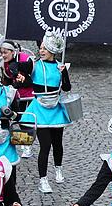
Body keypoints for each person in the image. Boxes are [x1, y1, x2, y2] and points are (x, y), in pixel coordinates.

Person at [18, 32, 72, 193]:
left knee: (58, 144)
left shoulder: (59, 67)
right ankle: (43, 179)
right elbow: (17, 67)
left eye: (44, 48)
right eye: (40, 48)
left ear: (52, 50)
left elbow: (67, 88)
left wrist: (64, 73)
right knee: (45, 145)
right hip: (40, 109)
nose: (41, 51)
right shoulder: (34, 65)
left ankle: (58, 169)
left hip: (56, 109)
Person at [0, 35, 35, 159]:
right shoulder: (4, 64)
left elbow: (31, 71)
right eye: (1, 53)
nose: (3, 55)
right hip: (18, 95)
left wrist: (17, 68)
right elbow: (7, 81)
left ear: (13, 52)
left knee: (27, 119)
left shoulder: (24, 58)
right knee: (19, 118)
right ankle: (24, 143)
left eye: (5, 52)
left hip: (32, 93)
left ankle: (27, 146)